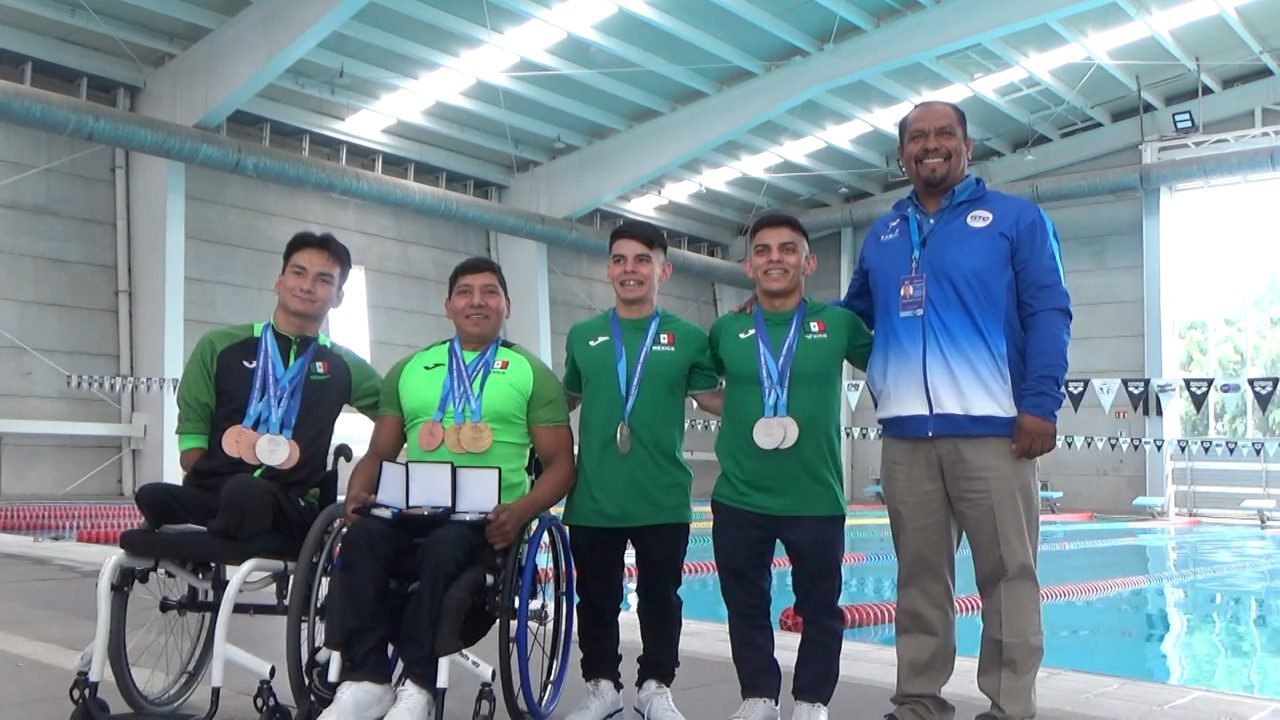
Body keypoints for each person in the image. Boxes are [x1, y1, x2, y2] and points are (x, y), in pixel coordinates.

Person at [839, 101, 1071, 720]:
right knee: (918, 577)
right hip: (906, 437)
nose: (931, 144)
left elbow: (1049, 311)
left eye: (945, 134)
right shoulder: (885, 234)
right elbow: (852, 318)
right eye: (918, 137)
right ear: (901, 155)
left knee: (1009, 575)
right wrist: (782, 316)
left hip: (996, 433)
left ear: (968, 147)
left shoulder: (1016, 220)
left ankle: (1010, 705)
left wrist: (1041, 402)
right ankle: (919, 699)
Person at [322, 257, 576, 720]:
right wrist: (357, 492)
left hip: (484, 524)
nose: (477, 301)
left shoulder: (531, 373)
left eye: (489, 292)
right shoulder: (410, 369)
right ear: (448, 305)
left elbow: (561, 466)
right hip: (413, 512)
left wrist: (520, 512)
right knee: (363, 537)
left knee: (446, 545)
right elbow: (377, 454)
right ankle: (367, 679)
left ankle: (419, 685)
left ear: (507, 305)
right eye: (464, 292)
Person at [709, 214, 872, 720]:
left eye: (786, 249)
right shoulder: (727, 330)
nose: (774, 258)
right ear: (749, 265)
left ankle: (811, 701)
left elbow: (895, 362)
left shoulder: (839, 325)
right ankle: (758, 696)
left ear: (808, 261)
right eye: (763, 250)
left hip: (815, 495)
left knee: (821, 608)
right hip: (740, 495)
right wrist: (742, 411)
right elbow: (699, 386)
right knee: (745, 604)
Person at [560, 221, 721, 720]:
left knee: (660, 599)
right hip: (594, 495)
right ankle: (602, 686)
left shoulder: (688, 338)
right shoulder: (584, 335)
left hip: (662, 495)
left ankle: (655, 686)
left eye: (642, 260)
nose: (630, 269)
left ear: (663, 271)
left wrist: (773, 396)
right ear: (609, 270)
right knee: (596, 599)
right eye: (620, 260)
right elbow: (564, 400)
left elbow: (713, 399)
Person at [133, 231, 380, 542]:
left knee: (244, 492)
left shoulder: (344, 365)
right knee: (151, 495)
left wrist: (372, 472)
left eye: (323, 279)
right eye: (298, 273)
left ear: (338, 297)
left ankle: (217, 533)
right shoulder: (219, 346)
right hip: (215, 495)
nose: (307, 285)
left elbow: (397, 413)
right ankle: (222, 522)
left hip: (290, 503)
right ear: (279, 281)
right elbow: (192, 442)